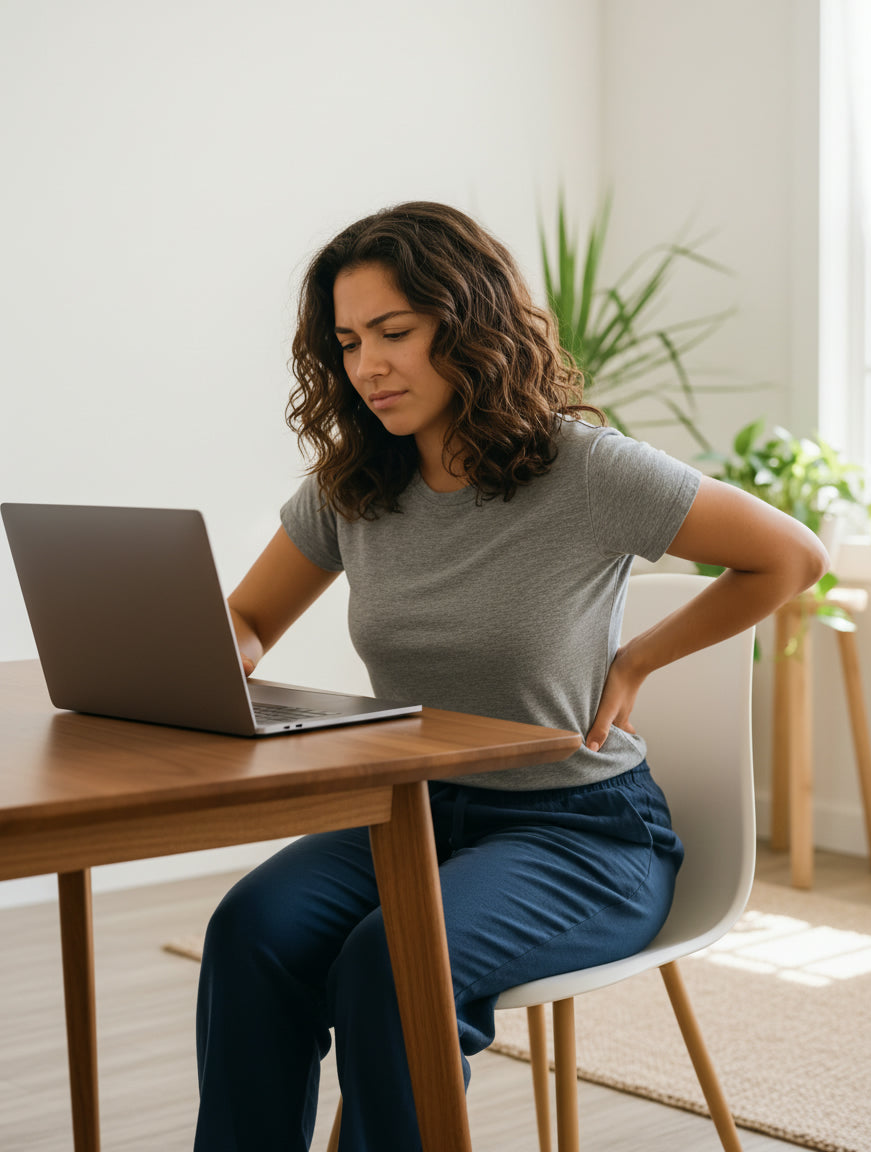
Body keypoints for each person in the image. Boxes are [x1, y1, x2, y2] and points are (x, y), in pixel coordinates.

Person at [193, 201, 827, 1152]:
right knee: (249, 933)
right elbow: (245, 620)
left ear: (470, 319)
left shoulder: (585, 472)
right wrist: (207, 662)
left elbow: (789, 556)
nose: (369, 365)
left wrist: (640, 656)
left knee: (393, 964)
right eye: (350, 340)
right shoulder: (354, 486)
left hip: (580, 835)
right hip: (406, 814)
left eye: (396, 333)